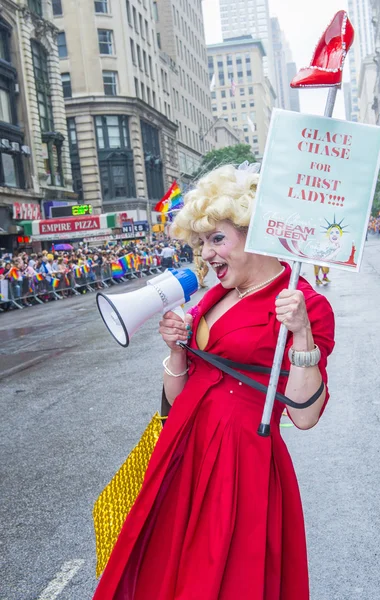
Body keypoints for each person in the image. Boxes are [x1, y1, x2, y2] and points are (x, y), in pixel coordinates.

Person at [93, 165, 335, 600]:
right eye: (201, 242)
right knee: (167, 571)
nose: (206, 254)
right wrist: (175, 351)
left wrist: (301, 332)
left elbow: (305, 415)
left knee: (222, 580)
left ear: (257, 233)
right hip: (185, 449)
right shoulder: (213, 296)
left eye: (217, 239)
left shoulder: (304, 304)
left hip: (240, 462)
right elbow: (179, 398)